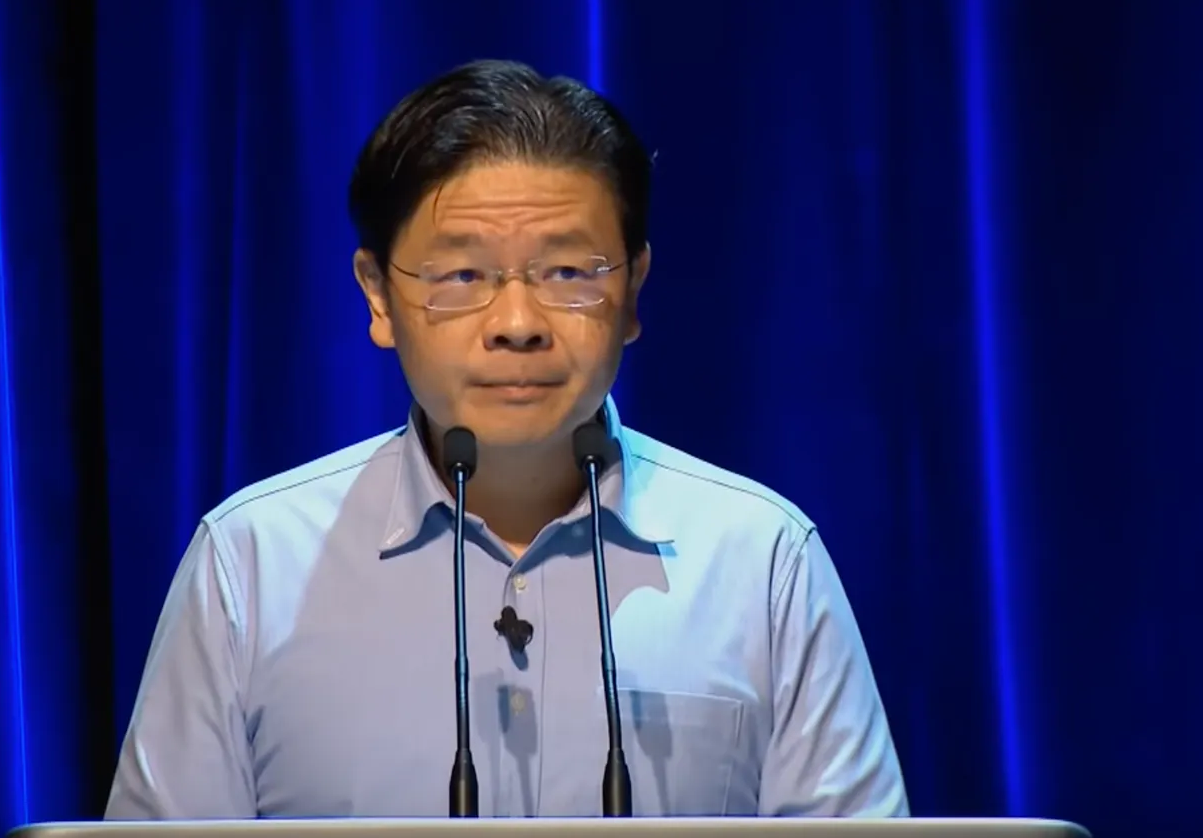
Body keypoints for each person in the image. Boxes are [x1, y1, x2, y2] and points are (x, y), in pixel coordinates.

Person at [105, 59, 908, 819]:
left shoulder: (762, 560)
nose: (518, 323)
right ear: (378, 296)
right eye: (462, 276)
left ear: (633, 291)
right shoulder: (251, 565)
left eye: (570, 273)